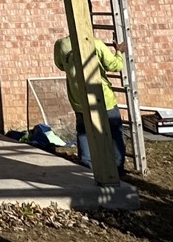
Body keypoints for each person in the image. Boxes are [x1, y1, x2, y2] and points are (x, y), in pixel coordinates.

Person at [53, 35, 127, 177]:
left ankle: (86, 167)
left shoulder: (61, 44)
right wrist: (119, 52)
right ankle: (118, 168)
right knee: (114, 132)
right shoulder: (96, 44)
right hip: (103, 99)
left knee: (84, 132)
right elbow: (115, 66)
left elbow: (60, 65)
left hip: (78, 99)